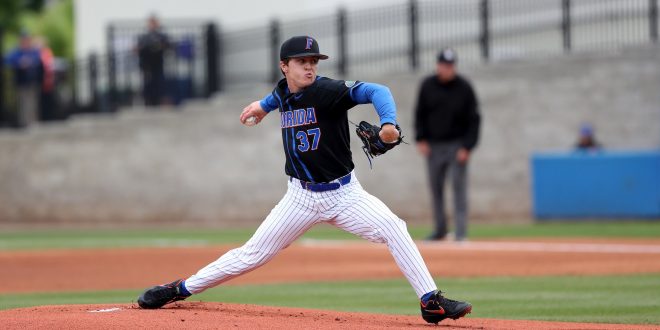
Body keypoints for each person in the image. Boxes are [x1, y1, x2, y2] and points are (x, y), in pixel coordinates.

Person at [137, 36, 472, 325]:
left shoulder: (327, 91)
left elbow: (377, 90)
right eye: (301, 62)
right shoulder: (283, 92)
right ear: (284, 66)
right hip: (299, 198)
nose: (309, 68)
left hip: (345, 194)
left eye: (313, 61)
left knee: (395, 228)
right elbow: (278, 97)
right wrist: (262, 107)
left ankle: (430, 302)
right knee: (250, 255)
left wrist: (388, 122)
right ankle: (179, 289)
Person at [414, 48, 481, 242]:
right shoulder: (427, 85)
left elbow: (474, 119)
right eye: (443, 65)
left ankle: (460, 233)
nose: (446, 69)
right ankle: (440, 229)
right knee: (436, 189)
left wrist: (467, 146)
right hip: (433, 146)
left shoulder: (464, 87)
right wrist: (421, 139)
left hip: (457, 145)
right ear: (438, 65)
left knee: (459, 189)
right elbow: (420, 114)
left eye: (450, 66)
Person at [4, 32, 42, 127]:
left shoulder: (33, 51)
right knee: (23, 103)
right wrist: (19, 63)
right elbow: (7, 60)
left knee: (32, 102)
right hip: (20, 81)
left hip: (31, 80)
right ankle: (24, 123)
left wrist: (29, 62)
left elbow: (38, 60)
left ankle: (32, 122)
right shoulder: (16, 52)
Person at [137, 15, 170, 107]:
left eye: (154, 23)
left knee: (159, 83)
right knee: (148, 84)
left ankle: (159, 100)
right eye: (151, 23)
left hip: (158, 63)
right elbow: (139, 48)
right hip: (147, 65)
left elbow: (167, 45)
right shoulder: (144, 37)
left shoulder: (162, 36)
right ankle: (148, 101)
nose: (153, 25)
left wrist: (159, 46)